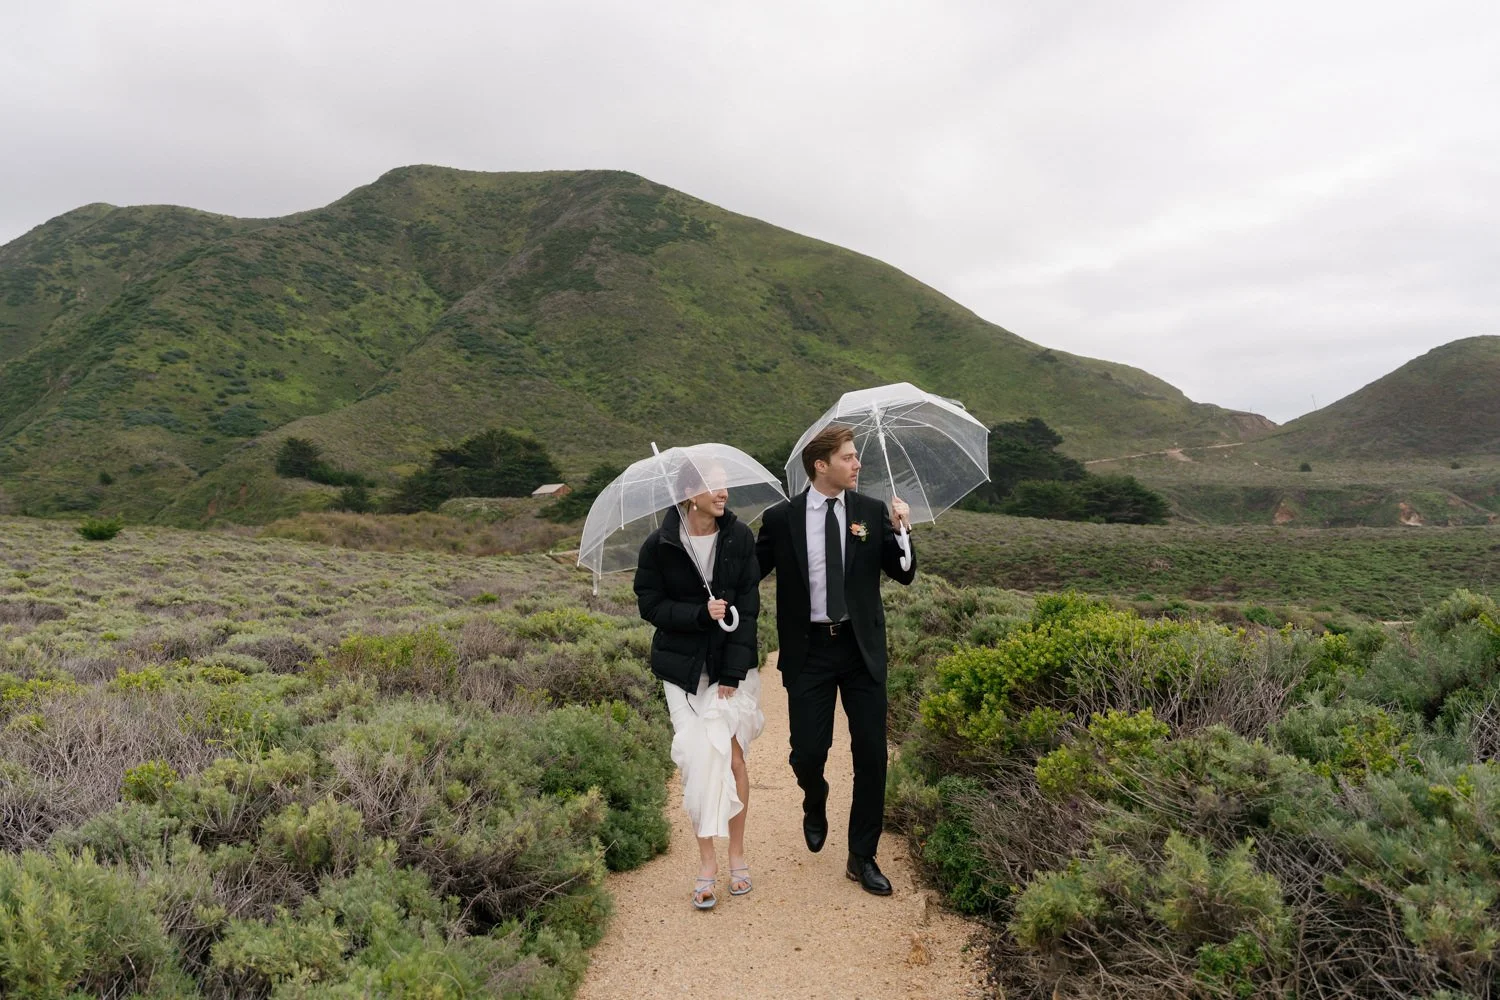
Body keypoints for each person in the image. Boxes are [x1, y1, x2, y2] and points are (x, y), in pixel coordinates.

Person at [755, 424, 915, 895]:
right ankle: (815, 795)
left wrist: (902, 532)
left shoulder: (868, 511)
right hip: (810, 652)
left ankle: (861, 856)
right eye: (848, 457)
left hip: (861, 649)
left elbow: (902, 573)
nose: (857, 464)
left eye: (856, 456)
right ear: (820, 465)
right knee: (808, 751)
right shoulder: (781, 518)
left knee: (871, 754)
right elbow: (748, 571)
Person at [634, 475, 764, 910]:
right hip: (682, 672)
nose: (723, 493)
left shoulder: (740, 537)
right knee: (696, 758)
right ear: (690, 495)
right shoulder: (659, 544)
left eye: (725, 484)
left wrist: (732, 670)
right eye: (713, 486)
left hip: (731, 669)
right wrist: (698, 613)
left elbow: (749, 608)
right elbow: (649, 605)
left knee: (733, 755)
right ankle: (707, 863)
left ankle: (737, 855)